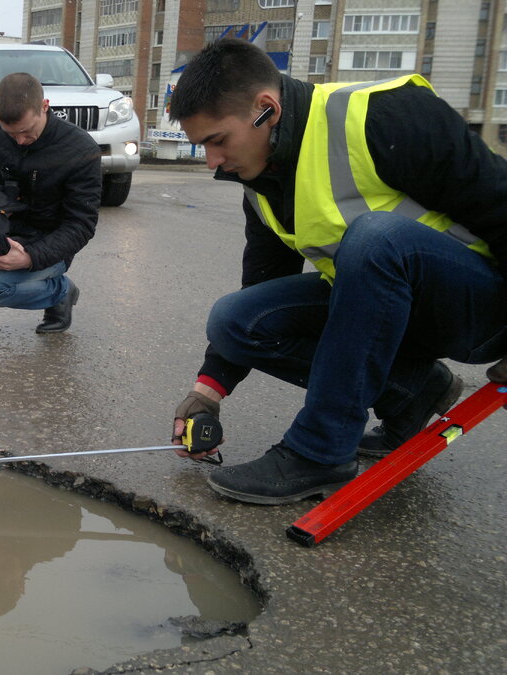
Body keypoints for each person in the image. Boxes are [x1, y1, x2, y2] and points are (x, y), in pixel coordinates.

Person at [166, 38, 507, 504]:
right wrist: (209, 389)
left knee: (375, 239)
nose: (212, 162)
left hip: (480, 309)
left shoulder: (383, 116)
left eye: (217, 141)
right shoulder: (261, 179)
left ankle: (320, 453)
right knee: (236, 319)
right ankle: (413, 391)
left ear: (266, 109)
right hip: (391, 315)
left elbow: (501, 203)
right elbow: (265, 285)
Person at [0, 72, 102, 341]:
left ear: (44, 107)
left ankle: (61, 292)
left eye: (26, 132)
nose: (20, 141)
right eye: (10, 134)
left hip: (47, 245)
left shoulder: (80, 150)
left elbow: (81, 225)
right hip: (3, 229)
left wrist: (30, 257)